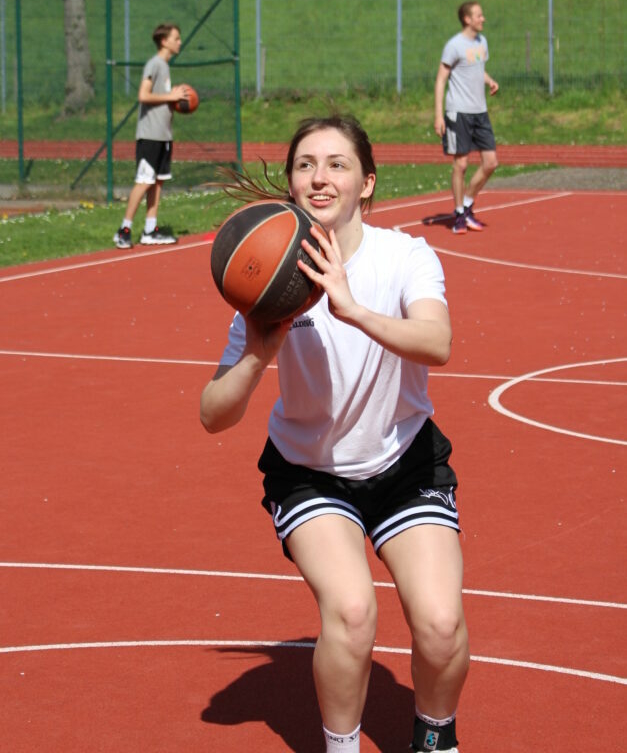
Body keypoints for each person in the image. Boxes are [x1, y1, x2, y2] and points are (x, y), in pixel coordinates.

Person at [200, 115, 469, 753]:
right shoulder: (271, 282)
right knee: (351, 612)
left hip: (403, 463)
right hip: (309, 473)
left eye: (337, 164)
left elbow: (437, 342)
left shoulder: (404, 256)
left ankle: (436, 740)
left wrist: (353, 310)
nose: (320, 178)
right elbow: (213, 413)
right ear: (291, 182)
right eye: (306, 165)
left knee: (440, 624)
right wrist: (257, 354)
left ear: (366, 183)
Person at [113, 22, 191, 249]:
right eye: (176, 38)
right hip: (150, 136)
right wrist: (170, 96)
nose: (179, 42)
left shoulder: (164, 66)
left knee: (157, 183)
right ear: (164, 41)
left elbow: (162, 98)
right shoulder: (154, 64)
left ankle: (150, 230)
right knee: (144, 182)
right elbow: (143, 95)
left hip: (164, 136)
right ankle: (124, 230)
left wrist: (173, 99)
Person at [434, 1, 499, 235]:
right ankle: (459, 213)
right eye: (479, 15)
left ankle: (468, 203)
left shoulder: (482, 42)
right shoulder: (454, 46)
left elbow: (476, 68)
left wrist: (489, 81)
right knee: (461, 164)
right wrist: (438, 115)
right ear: (467, 19)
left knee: (491, 162)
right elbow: (441, 79)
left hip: (480, 111)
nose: (483, 19)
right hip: (458, 111)